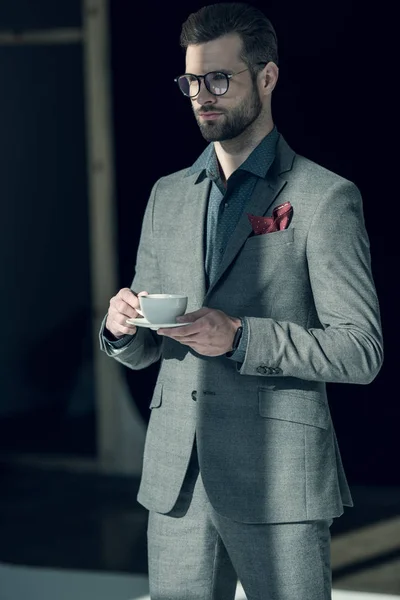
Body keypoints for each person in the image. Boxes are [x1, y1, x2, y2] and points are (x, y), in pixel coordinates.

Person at [99, 3, 383, 599]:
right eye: (192, 81)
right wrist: (123, 329)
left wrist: (242, 336)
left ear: (267, 78)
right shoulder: (167, 197)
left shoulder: (325, 198)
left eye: (220, 79)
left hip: (280, 484)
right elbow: (149, 348)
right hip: (177, 483)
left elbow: (361, 351)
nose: (202, 95)